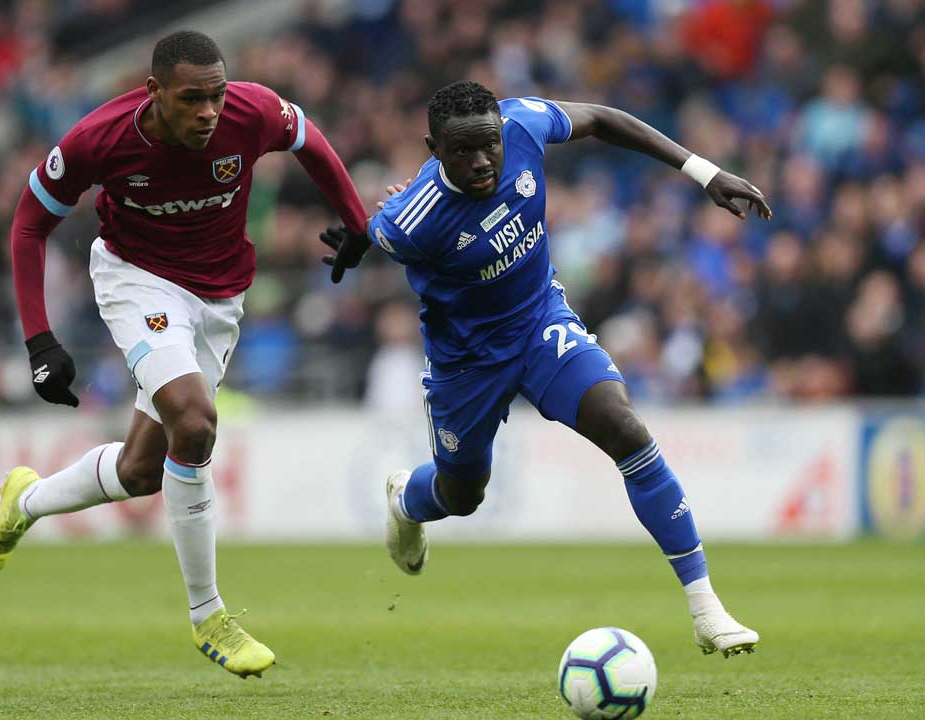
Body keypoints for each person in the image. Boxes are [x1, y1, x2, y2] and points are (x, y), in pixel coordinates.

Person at [0, 30, 368, 679]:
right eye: (191, 100)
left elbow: (311, 140)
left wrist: (358, 223)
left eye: (215, 96)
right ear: (154, 94)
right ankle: (208, 614)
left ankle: (25, 503)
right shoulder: (99, 140)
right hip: (138, 282)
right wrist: (40, 338)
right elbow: (28, 223)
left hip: (221, 297)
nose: (208, 112)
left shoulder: (252, 110)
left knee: (140, 471)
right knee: (194, 421)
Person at [321, 81, 769, 657]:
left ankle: (707, 609)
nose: (481, 161)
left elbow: (606, 118)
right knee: (463, 495)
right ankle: (408, 500)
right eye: (461, 151)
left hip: (539, 324)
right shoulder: (415, 220)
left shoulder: (525, 123)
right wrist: (359, 238)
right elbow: (375, 233)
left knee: (624, 426)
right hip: (468, 365)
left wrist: (706, 174)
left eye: (489, 144)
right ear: (433, 148)